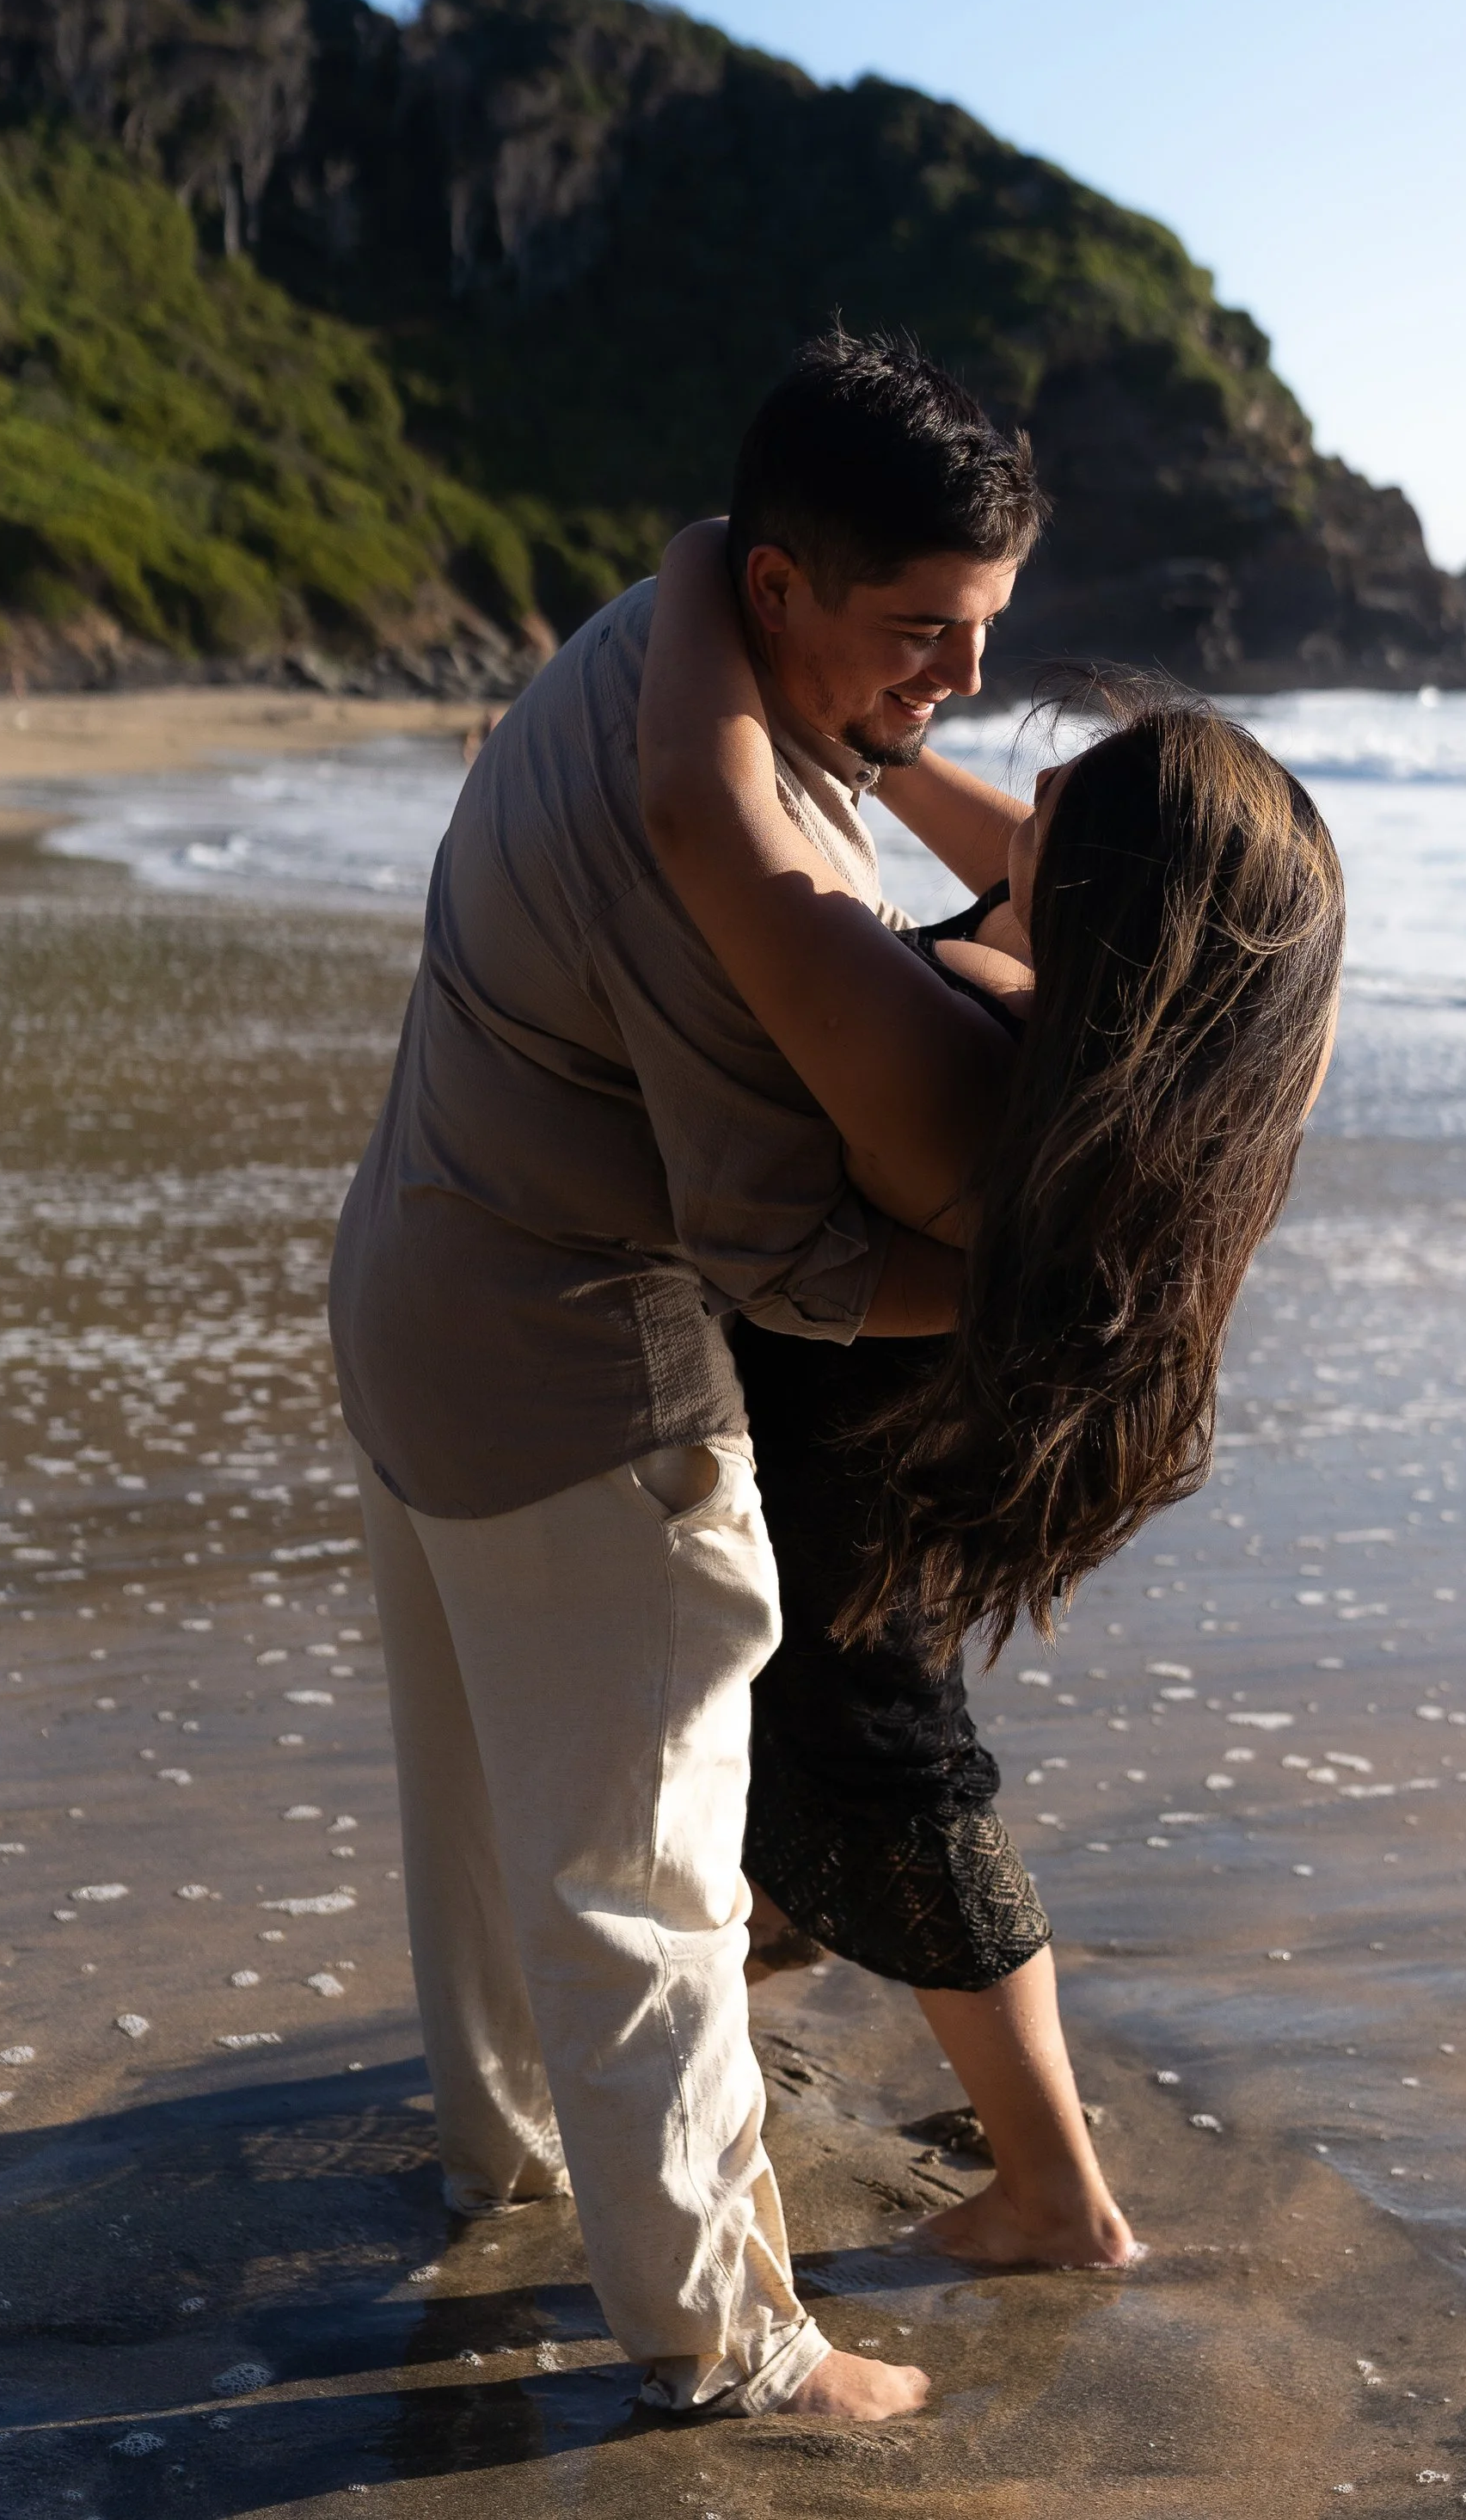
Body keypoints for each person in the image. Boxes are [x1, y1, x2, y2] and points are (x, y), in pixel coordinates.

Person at [327, 330, 1045, 2425]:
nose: (959, 678)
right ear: (781, 588)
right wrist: (1025, 1303)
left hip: (409, 1284)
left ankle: (511, 2153)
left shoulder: (653, 638)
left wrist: (899, 736)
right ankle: (727, 2346)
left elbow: (960, 828)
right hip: (569, 1372)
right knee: (643, 1879)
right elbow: (789, 1264)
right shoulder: (713, 859)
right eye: (922, 634)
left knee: (478, 1814)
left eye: (986, 633)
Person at [635, 483, 1346, 2266]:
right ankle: (774, 1952)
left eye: (1054, 810)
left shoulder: (950, 1054)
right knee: (842, 1744)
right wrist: (854, 728)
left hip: (844, 1468)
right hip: (891, 1441)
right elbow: (963, 829)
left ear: (1089, 900)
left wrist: (703, 584)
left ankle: (1054, 2195)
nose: (1013, 793)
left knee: (892, 1755)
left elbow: (700, 821)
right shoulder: (1116, 1038)